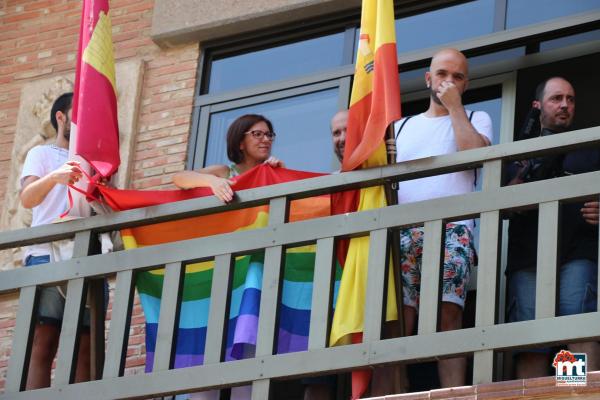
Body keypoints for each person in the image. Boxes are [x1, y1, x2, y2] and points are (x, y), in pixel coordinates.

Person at [394, 48, 493, 388]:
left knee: (448, 317)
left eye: (458, 76)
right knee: (397, 322)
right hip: (403, 231)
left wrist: (454, 107)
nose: (448, 81)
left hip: (454, 229)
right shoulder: (400, 126)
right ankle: (390, 394)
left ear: (466, 84)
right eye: (442, 74)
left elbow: (474, 157)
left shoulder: (476, 117)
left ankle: (453, 394)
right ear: (427, 78)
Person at [505, 76, 600, 378]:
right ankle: (535, 398)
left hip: (577, 253)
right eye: (556, 98)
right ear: (538, 106)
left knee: (577, 329)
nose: (565, 105)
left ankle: (575, 394)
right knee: (531, 340)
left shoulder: (590, 149)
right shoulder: (518, 153)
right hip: (528, 257)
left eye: (570, 99)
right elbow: (507, 200)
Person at [20, 92, 88, 389]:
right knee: (44, 340)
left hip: (86, 253)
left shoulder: (92, 162)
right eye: (78, 111)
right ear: (61, 117)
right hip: (45, 252)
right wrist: (55, 177)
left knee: (87, 343)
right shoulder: (41, 154)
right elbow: (27, 198)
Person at [173, 114, 283, 201]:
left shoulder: (272, 170)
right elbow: (179, 178)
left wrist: (281, 172)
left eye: (269, 135)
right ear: (240, 142)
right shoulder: (225, 172)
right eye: (258, 134)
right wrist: (213, 181)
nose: (266, 139)